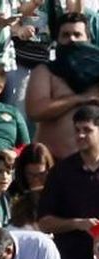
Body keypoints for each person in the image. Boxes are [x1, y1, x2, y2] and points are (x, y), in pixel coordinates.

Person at [38, 105, 99, 259]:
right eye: (77, 130)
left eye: (87, 130)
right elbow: (44, 223)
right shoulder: (61, 172)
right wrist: (78, 224)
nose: (80, 135)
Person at [26, 13, 99, 161]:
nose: (71, 39)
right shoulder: (45, 71)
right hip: (54, 164)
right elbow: (35, 110)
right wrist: (80, 98)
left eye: (77, 34)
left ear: (88, 39)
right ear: (57, 40)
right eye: (65, 35)